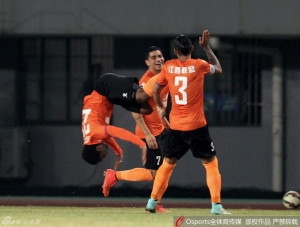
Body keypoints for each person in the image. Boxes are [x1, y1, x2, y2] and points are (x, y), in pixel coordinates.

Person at [145, 30, 231, 215]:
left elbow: (155, 91)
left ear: (175, 52)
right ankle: (216, 206)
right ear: (192, 48)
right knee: (210, 163)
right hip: (197, 125)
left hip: (176, 126)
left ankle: (152, 202)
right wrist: (207, 48)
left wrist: (161, 109)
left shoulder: (168, 67)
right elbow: (218, 68)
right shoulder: (199, 65)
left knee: (167, 163)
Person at [101, 46, 170, 212]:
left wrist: (166, 123)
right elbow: (135, 110)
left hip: (161, 130)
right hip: (152, 133)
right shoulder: (145, 82)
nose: (158, 59)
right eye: (153, 57)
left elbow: (158, 107)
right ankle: (115, 175)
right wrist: (147, 135)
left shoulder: (164, 76)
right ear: (147, 62)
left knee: (166, 169)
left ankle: (154, 204)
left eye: (160, 56)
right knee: (154, 173)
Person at [81, 89, 148, 169]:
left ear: (99, 148)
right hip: (106, 95)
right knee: (139, 104)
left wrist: (142, 145)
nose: (105, 156)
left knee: (140, 101)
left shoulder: (96, 132)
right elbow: (107, 138)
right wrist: (118, 153)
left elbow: (120, 132)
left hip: (106, 91)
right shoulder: (91, 138)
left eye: (102, 156)